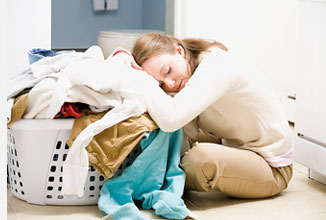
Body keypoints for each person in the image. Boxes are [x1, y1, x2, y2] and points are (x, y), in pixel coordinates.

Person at [112, 32, 293, 199]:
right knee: (166, 134)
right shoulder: (188, 74)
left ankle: (157, 180)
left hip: (271, 166)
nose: (170, 83)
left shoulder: (215, 66)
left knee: (197, 160)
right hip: (236, 146)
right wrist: (122, 56)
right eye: (160, 84)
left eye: (168, 71)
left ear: (179, 51)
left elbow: (170, 119)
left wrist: (141, 79)